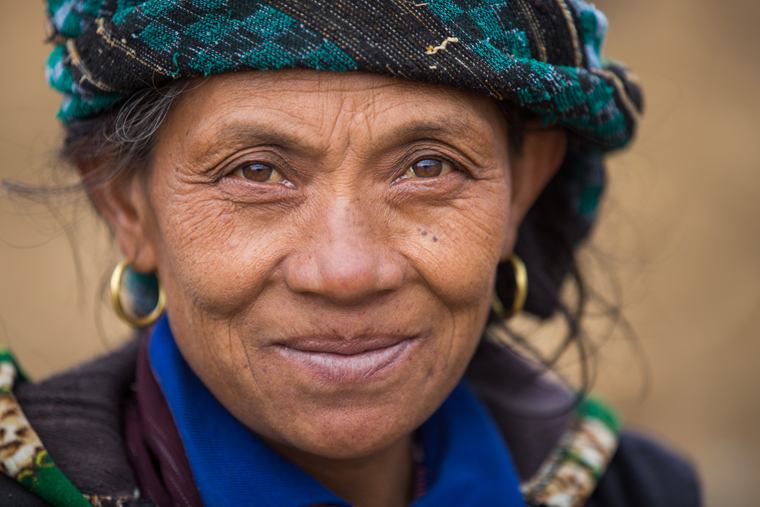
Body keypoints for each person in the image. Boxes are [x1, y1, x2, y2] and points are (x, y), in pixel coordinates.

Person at [0, 1, 700, 506]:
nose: (347, 271)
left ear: (524, 186)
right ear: (128, 205)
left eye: (428, 167)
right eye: (256, 171)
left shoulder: (640, 490)